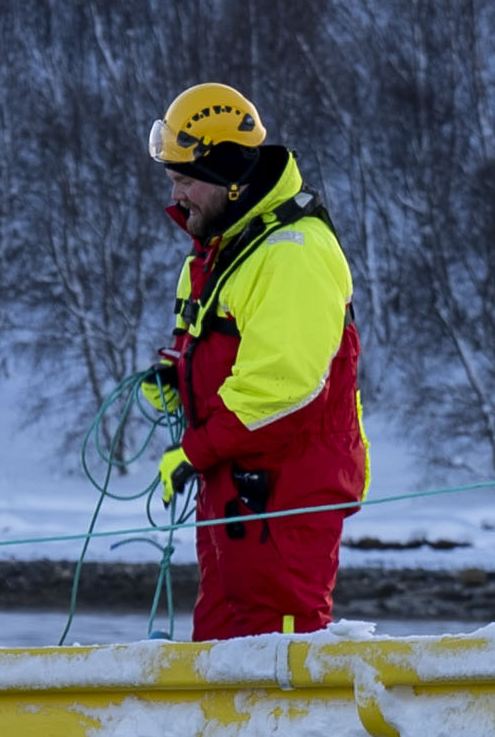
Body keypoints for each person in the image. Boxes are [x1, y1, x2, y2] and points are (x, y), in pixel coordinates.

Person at [143, 83, 370, 641]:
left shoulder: (292, 253)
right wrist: (174, 380)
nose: (178, 198)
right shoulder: (222, 247)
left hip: (284, 494)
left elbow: (283, 386)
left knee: (277, 653)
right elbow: (213, 351)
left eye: (186, 181)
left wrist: (192, 450)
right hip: (236, 487)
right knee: (218, 647)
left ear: (230, 177)